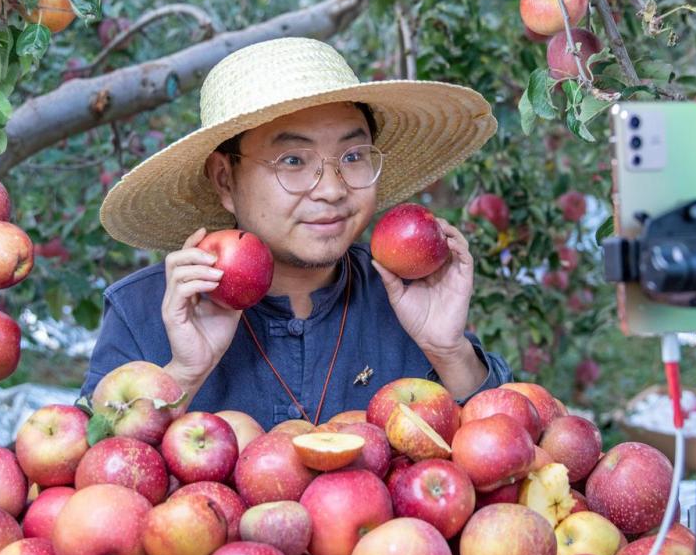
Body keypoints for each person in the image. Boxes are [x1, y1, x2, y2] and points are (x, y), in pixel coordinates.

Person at [85, 37, 512, 429]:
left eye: (353, 155)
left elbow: (508, 455)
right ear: (224, 180)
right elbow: (89, 484)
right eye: (292, 160)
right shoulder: (142, 311)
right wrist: (184, 372)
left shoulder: (406, 293)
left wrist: (448, 352)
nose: (331, 189)